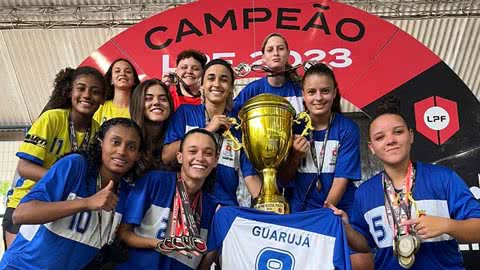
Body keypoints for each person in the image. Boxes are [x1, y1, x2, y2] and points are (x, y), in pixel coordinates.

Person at [330, 96, 480, 269]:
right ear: (371, 148)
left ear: (411, 136)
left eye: (398, 132)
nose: (390, 140)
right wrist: (346, 228)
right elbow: (365, 245)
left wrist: (447, 225)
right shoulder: (364, 192)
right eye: (380, 137)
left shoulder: (443, 179)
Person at [0, 118, 144, 270]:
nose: (122, 151)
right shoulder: (75, 166)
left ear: (138, 155)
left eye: (131, 147)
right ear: (101, 143)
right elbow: (21, 214)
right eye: (115, 142)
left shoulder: (126, 193)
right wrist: (86, 203)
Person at [2, 66, 107, 248]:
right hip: (26, 203)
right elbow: (24, 167)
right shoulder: (52, 119)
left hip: (61, 210)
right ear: (69, 92)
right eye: (81, 88)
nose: (87, 95)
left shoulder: (98, 131)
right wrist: (62, 179)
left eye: (95, 91)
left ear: (103, 99)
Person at [116, 128, 219, 269]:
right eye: (192, 151)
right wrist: (160, 244)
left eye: (208, 153)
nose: (200, 158)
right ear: (180, 157)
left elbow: (204, 263)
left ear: (215, 160)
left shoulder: (212, 208)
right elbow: (123, 234)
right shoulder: (155, 181)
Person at [162, 58, 261, 206]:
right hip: (185, 206)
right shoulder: (185, 113)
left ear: (230, 89)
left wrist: (269, 207)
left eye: (224, 80)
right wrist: (208, 130)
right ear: (202, 85)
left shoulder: (239, 127)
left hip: (224, 209)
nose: (216, 84)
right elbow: (167, 156)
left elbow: (250, 177)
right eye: (211, 78)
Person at [279, 63, 361, 213]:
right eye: (311, 92)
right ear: (303, 95)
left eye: (325, 91)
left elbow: (341, 180)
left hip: (338, 211)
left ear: (334, 92)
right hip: (301, 213)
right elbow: (283, 179)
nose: (318, 97)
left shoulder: (348, 129)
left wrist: (324, 214)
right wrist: (295, 156)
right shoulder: (292, 127)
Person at [232, 32, 303, 115]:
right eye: (270, 50)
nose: (276, 53)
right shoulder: (252, 90)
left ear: (288, 54)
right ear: (263, 58)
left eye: (280, 49)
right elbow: (229, 112)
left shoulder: (300, 88)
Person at [129, 79, 174, 170]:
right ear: (137, 103)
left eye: (163, 99)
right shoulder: (127, 136)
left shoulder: (176, 141)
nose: (156, 102)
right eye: (148, 98)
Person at [94, 58, 140, 124]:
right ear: (111, 80)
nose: (122, 74)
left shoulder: (141, 109)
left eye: (128, 71)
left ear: (134, 80)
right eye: (117, 71)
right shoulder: (100, 108)